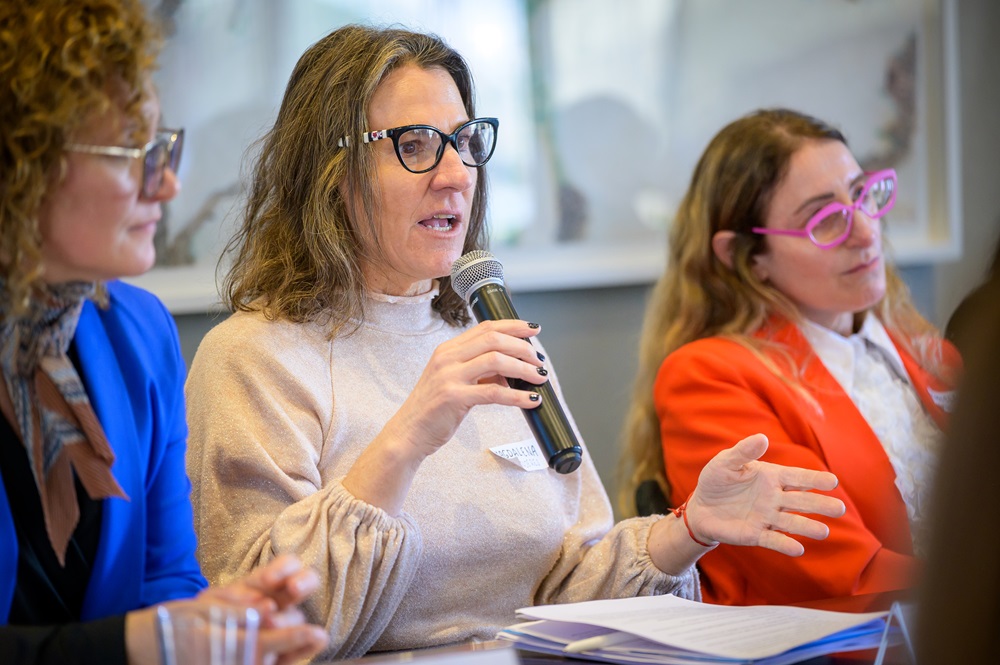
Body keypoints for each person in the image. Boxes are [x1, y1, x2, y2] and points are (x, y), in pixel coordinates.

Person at [184, 26, 845, 660]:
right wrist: (410, 434)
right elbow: (265, 628)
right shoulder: (253, 358)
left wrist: (688, 529)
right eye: (416, 144)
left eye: (464, 141)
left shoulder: (491, 339)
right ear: (329, 170)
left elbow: (565, 592)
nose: (455, 174)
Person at [0, 1, 328, 663]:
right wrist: (142, 643)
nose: (169, 183)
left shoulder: (139, 333)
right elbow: (138, 635)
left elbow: (165, 579)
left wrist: (228, 621)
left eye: (164, 148)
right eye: (133, 151)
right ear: (21, 161)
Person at [620, 108, 962, 607]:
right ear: (748, 260)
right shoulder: (712, 377)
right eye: (825, 220)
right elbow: (840, 581)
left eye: (863, 196)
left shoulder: (930, 352)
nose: (866, 232)